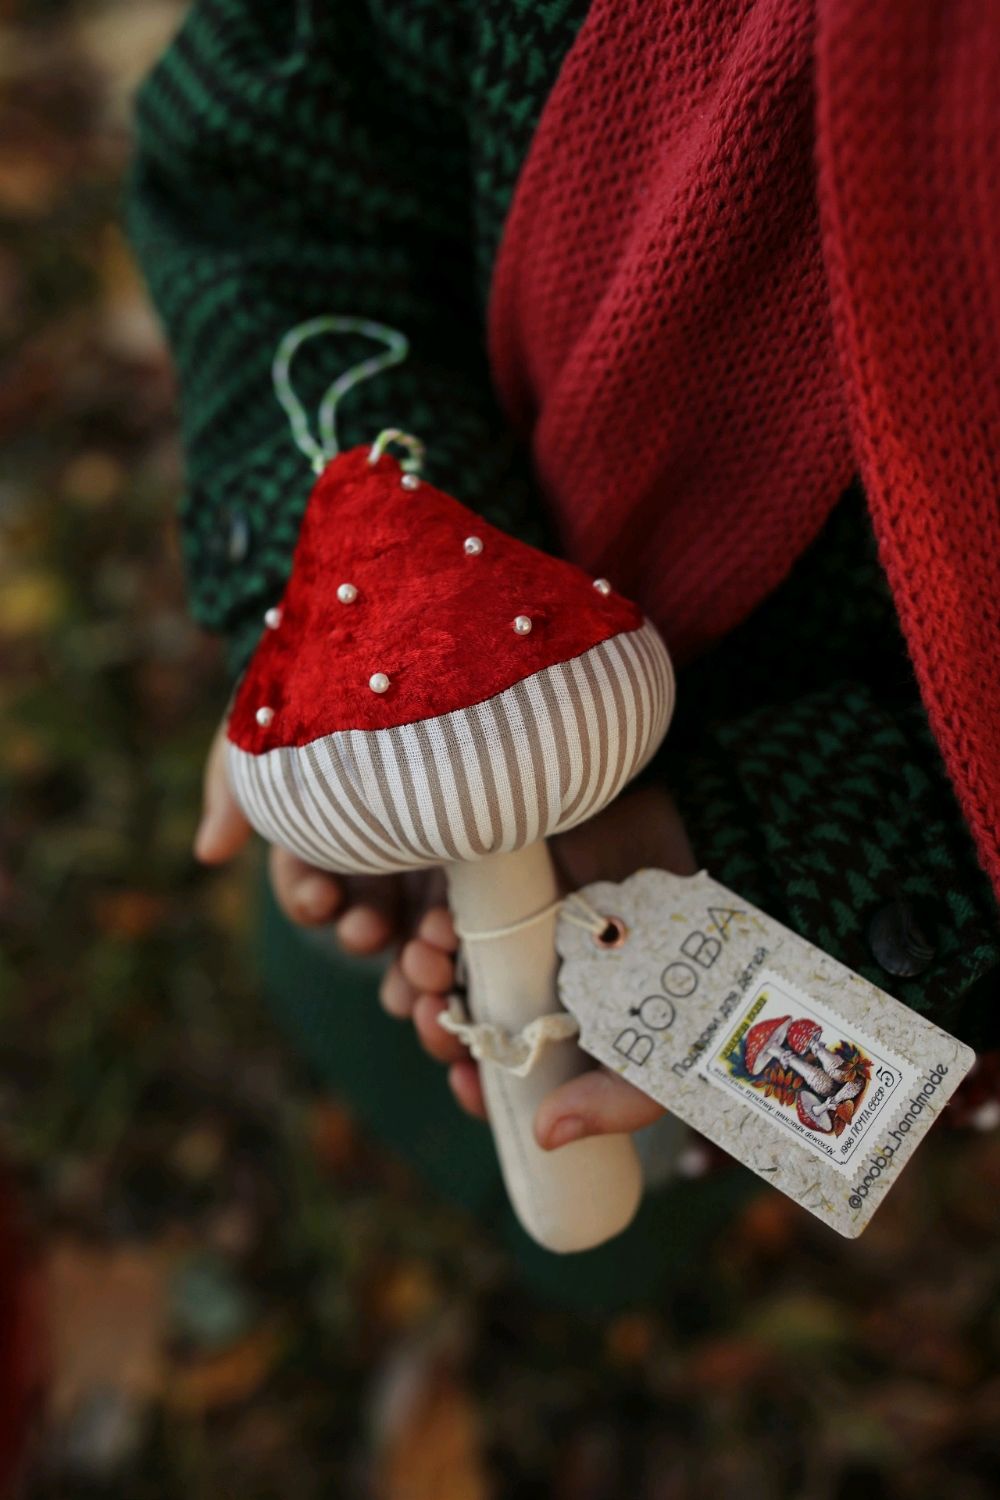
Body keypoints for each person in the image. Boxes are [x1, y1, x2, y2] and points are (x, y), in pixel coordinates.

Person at [128, 0, 1000, 1304]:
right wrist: (343, 591)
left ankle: (636, 1257)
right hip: (424, 615)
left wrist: (837, 865)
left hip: (847, 844)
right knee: (366, 977)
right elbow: (278, 142)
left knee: (652, 1134)